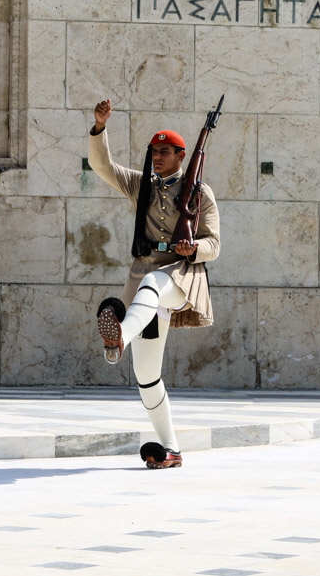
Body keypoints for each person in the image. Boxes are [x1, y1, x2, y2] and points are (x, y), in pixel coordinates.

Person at [88, 98, 221, 469]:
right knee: (146, 376)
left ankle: (118, 340)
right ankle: (171, 450)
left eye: (165, 152)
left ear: (182, 156)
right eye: (154, 151)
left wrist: (192, 248)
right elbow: (102, 166)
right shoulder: (141, 185)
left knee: (152, 281)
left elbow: (214, 244)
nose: (158, 156)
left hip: (180, 276)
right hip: (145, 284)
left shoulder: (199, 192)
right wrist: (100, 128)